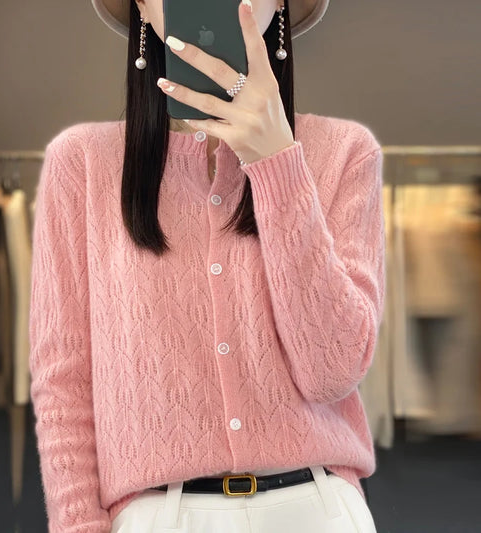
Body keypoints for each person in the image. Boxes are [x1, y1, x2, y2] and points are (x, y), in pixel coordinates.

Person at [28, 0, 385, 531]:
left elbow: (333, 372)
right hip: (157, 516)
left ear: (280, 7)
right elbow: (64, 383)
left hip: (317, 509)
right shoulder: (81, 162)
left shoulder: (344, 152)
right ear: (143, 6)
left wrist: (277, 161)